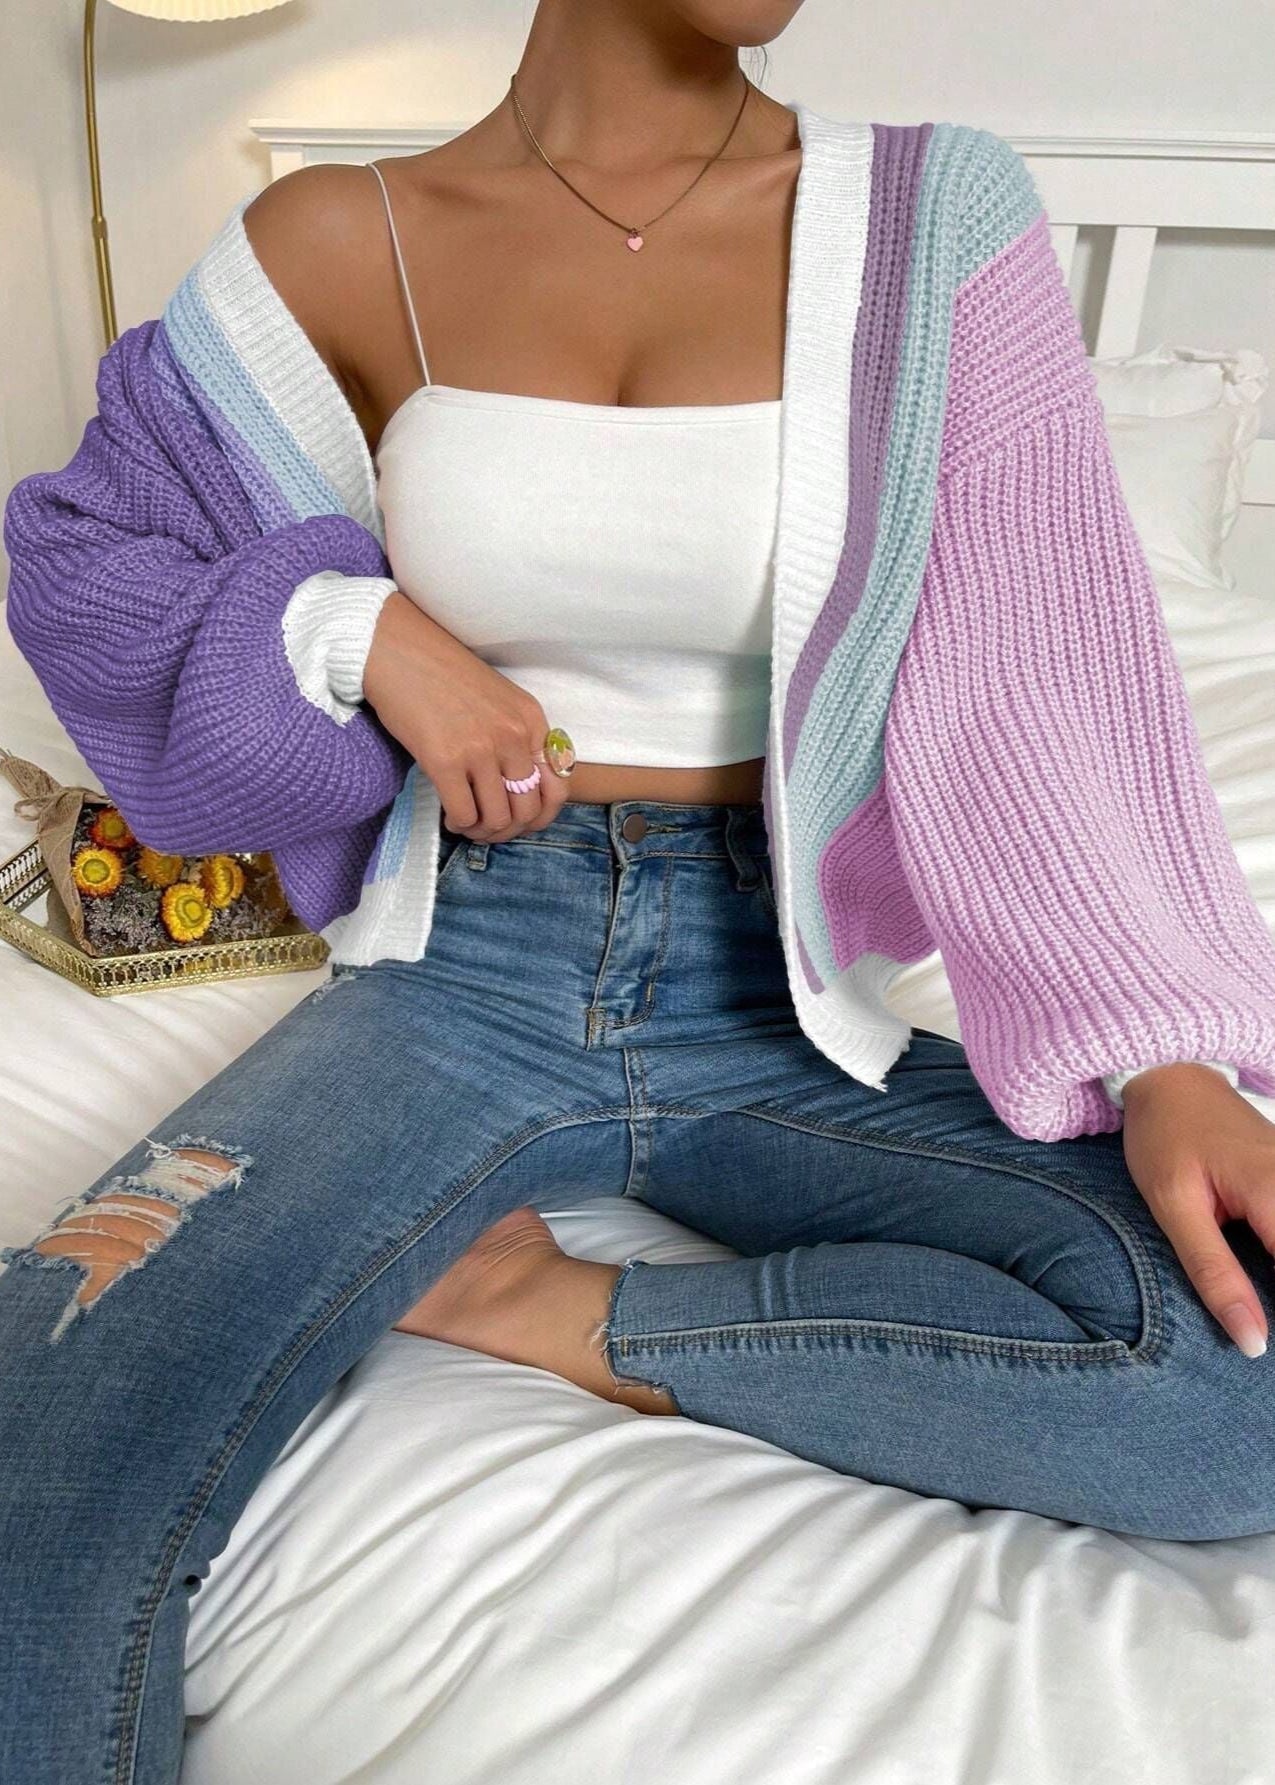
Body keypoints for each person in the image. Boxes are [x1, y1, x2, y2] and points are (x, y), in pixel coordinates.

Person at [5, 1, 1275, 1777]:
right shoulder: (341, 238)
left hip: (782, 999)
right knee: (40, 1451)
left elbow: (1039, 655)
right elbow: (87, 558)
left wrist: (1165, 1049)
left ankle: (542, 1308)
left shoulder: (928, 223)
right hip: (468, 967)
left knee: (1243, 1368)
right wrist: (362, 633)